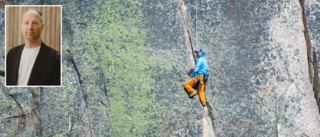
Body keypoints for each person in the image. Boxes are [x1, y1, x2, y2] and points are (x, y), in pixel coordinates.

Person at [6, 9, 60, 86]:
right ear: (21, 27)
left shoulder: (55, 59)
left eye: (35, 23)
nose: (30, 27)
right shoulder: (11, 54)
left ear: (42, 27)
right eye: (26, 23)